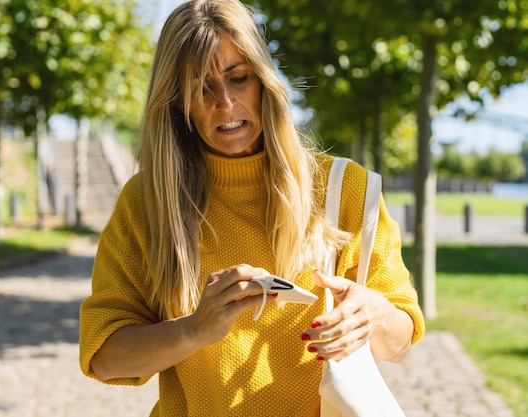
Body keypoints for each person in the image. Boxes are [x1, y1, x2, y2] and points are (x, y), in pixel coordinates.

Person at [79, 0, 425, 415]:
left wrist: (375, 313)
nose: (224, 103)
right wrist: (193, 330)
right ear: (176, 104)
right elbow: (104, 356)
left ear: (264, 80)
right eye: (201, 88)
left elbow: (401, 341)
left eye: (238, 78)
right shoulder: (146, 201)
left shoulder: (344, 189)